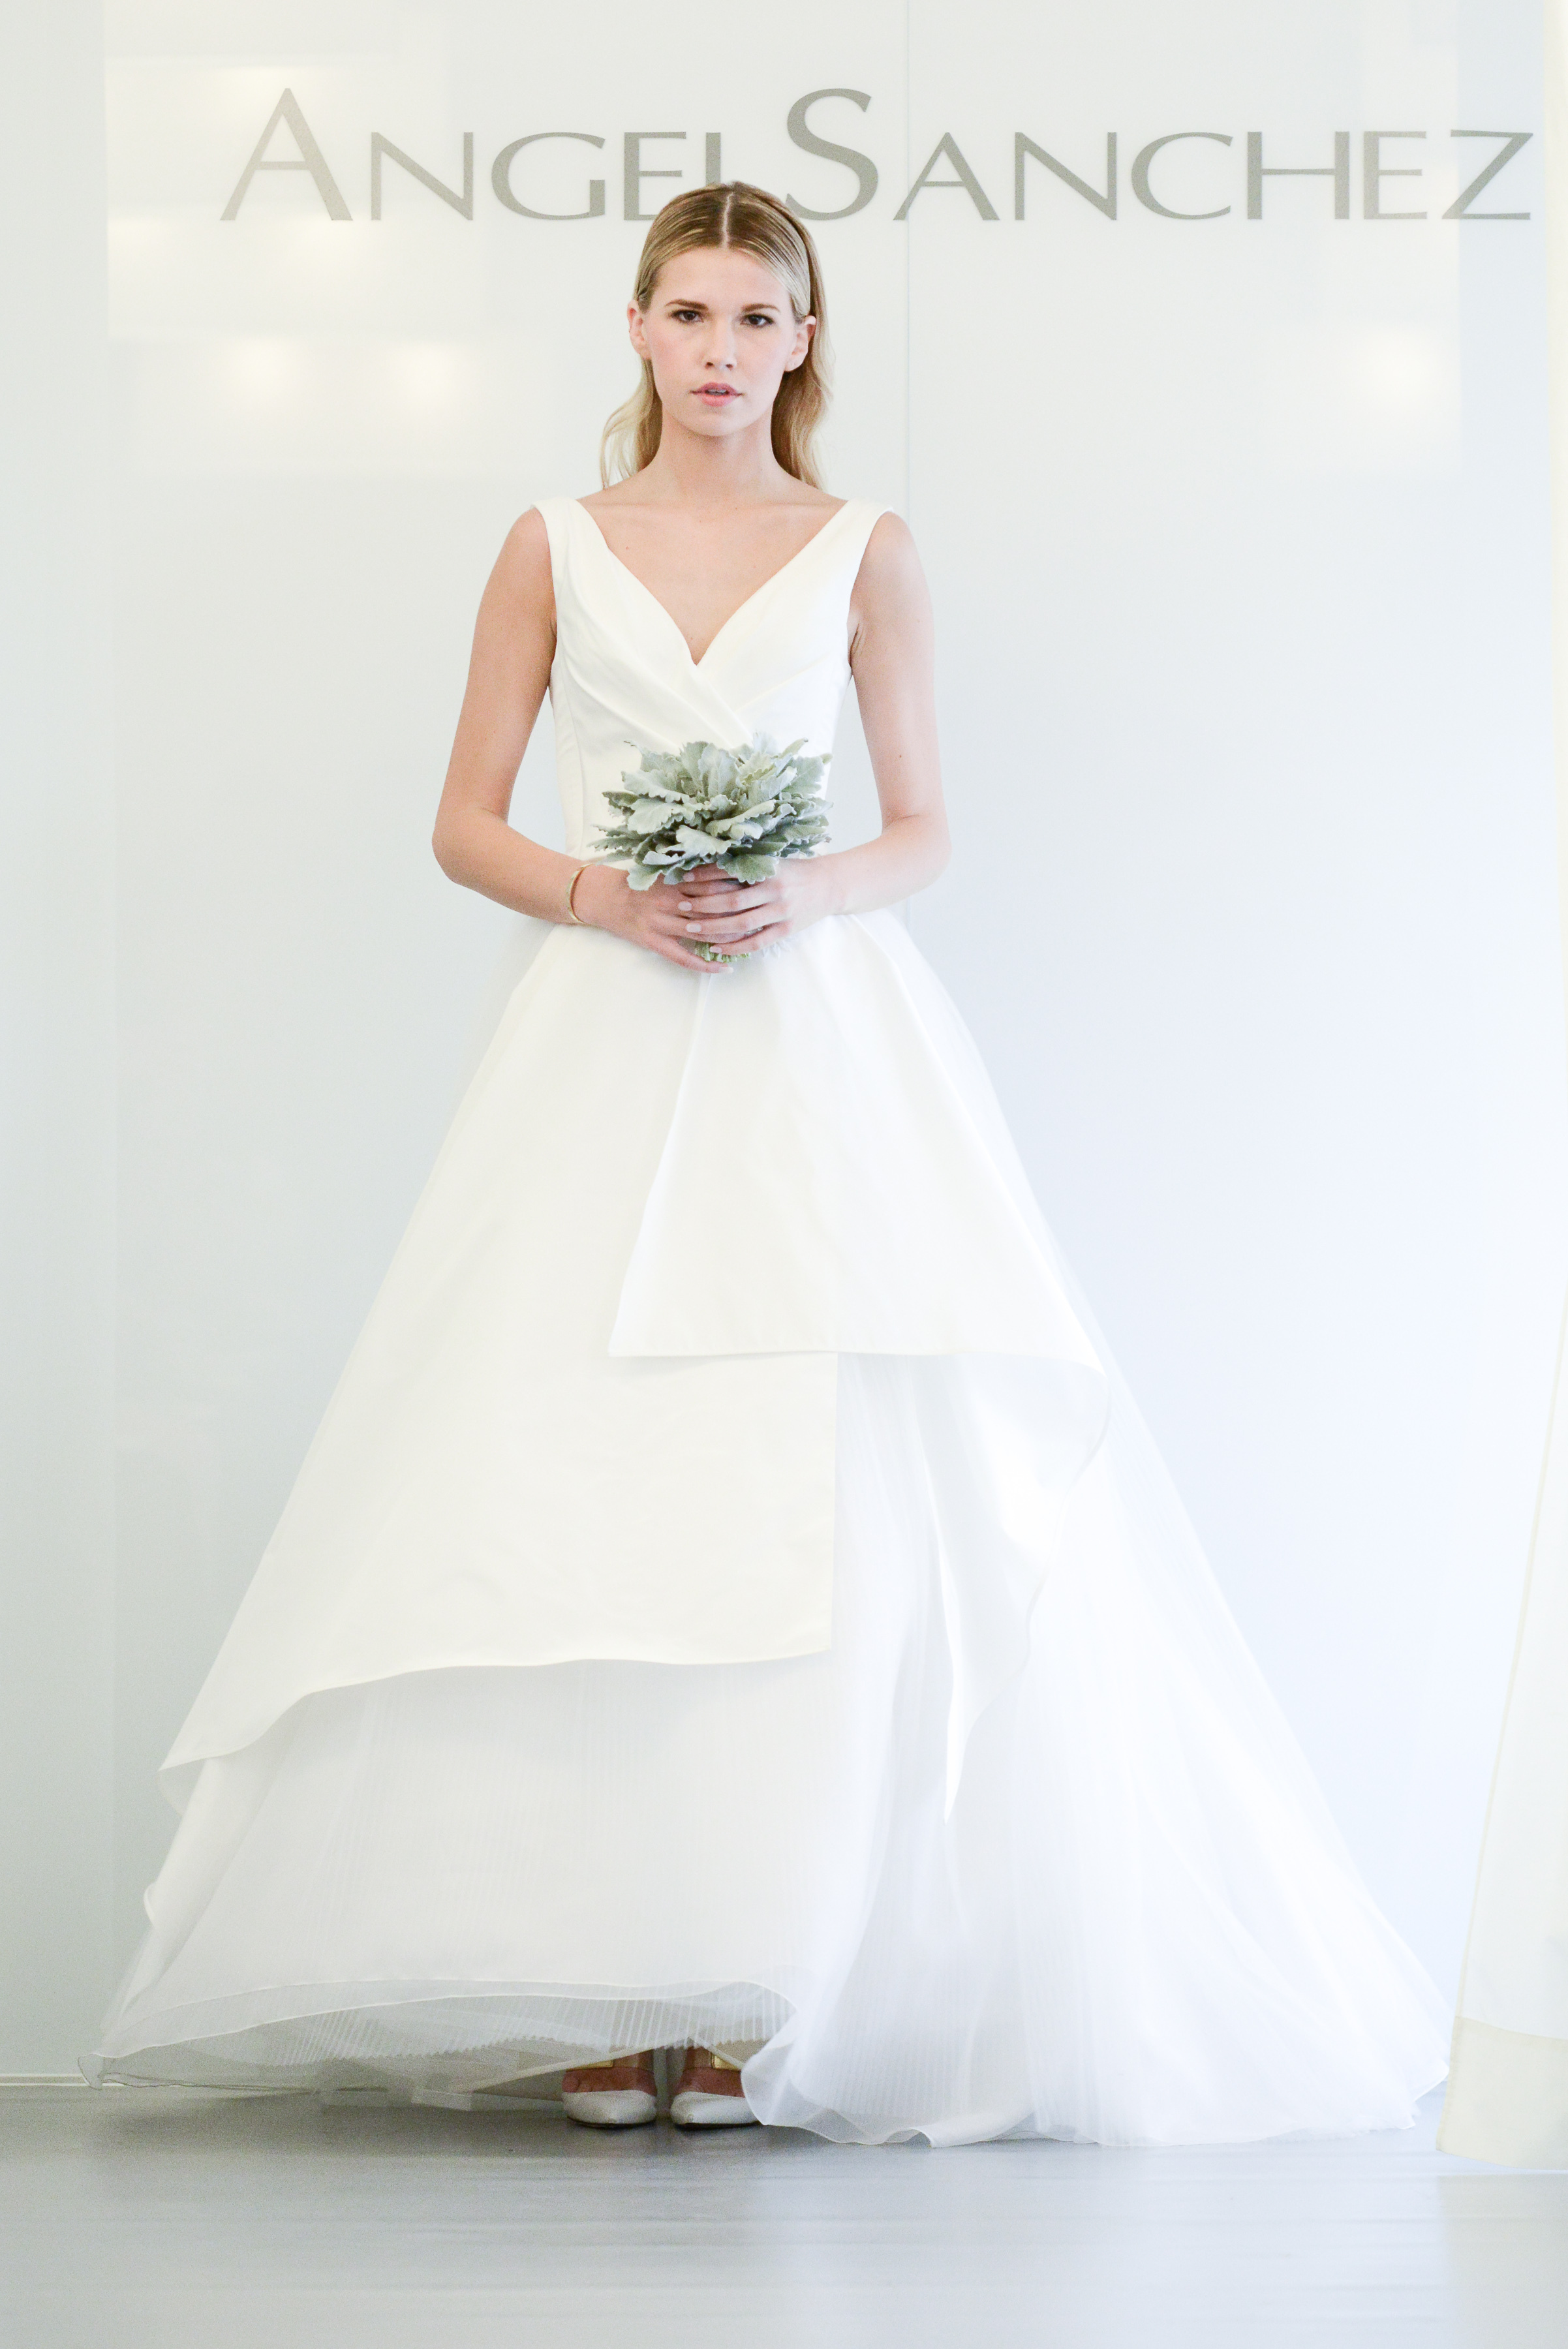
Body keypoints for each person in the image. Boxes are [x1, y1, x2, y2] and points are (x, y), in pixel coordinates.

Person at [90, 182, 1449, 2145]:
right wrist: (611, 897)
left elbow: (924, 827)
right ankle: (599, 1984)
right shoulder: (550, 543)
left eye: (758, 316)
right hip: (600, 1033)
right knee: (573, 1470)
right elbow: (464, 819)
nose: (722, 349)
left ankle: (754, 1983)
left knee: (814, 1475)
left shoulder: (866, 547)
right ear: (637, 330)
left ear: (803, 342)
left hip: (814, 1039)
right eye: (691, 312)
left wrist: (790, 894)